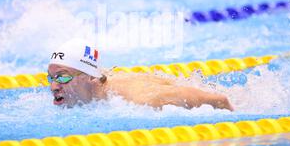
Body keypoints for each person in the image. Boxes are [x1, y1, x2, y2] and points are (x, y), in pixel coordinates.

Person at [48, 39, 233, 111]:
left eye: (63, 77)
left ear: (89, 77)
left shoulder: (137, 99)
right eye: (51, 77)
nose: (54, 86)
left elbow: (219, 99)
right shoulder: (94, 91)